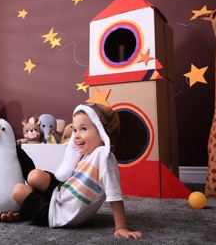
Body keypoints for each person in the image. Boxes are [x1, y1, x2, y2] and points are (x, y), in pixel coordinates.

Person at [12, 103, 142, 240]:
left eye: (83, 129)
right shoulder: (86, 155)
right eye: (75, 130)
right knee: (34, 176)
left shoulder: (104, 157)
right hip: (60, 194)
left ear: (102, 132)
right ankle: (25, 204)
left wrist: (121, 227)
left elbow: (114, 194)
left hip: (58, 214)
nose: (76, 136)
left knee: (18, 190)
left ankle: (20, 209)